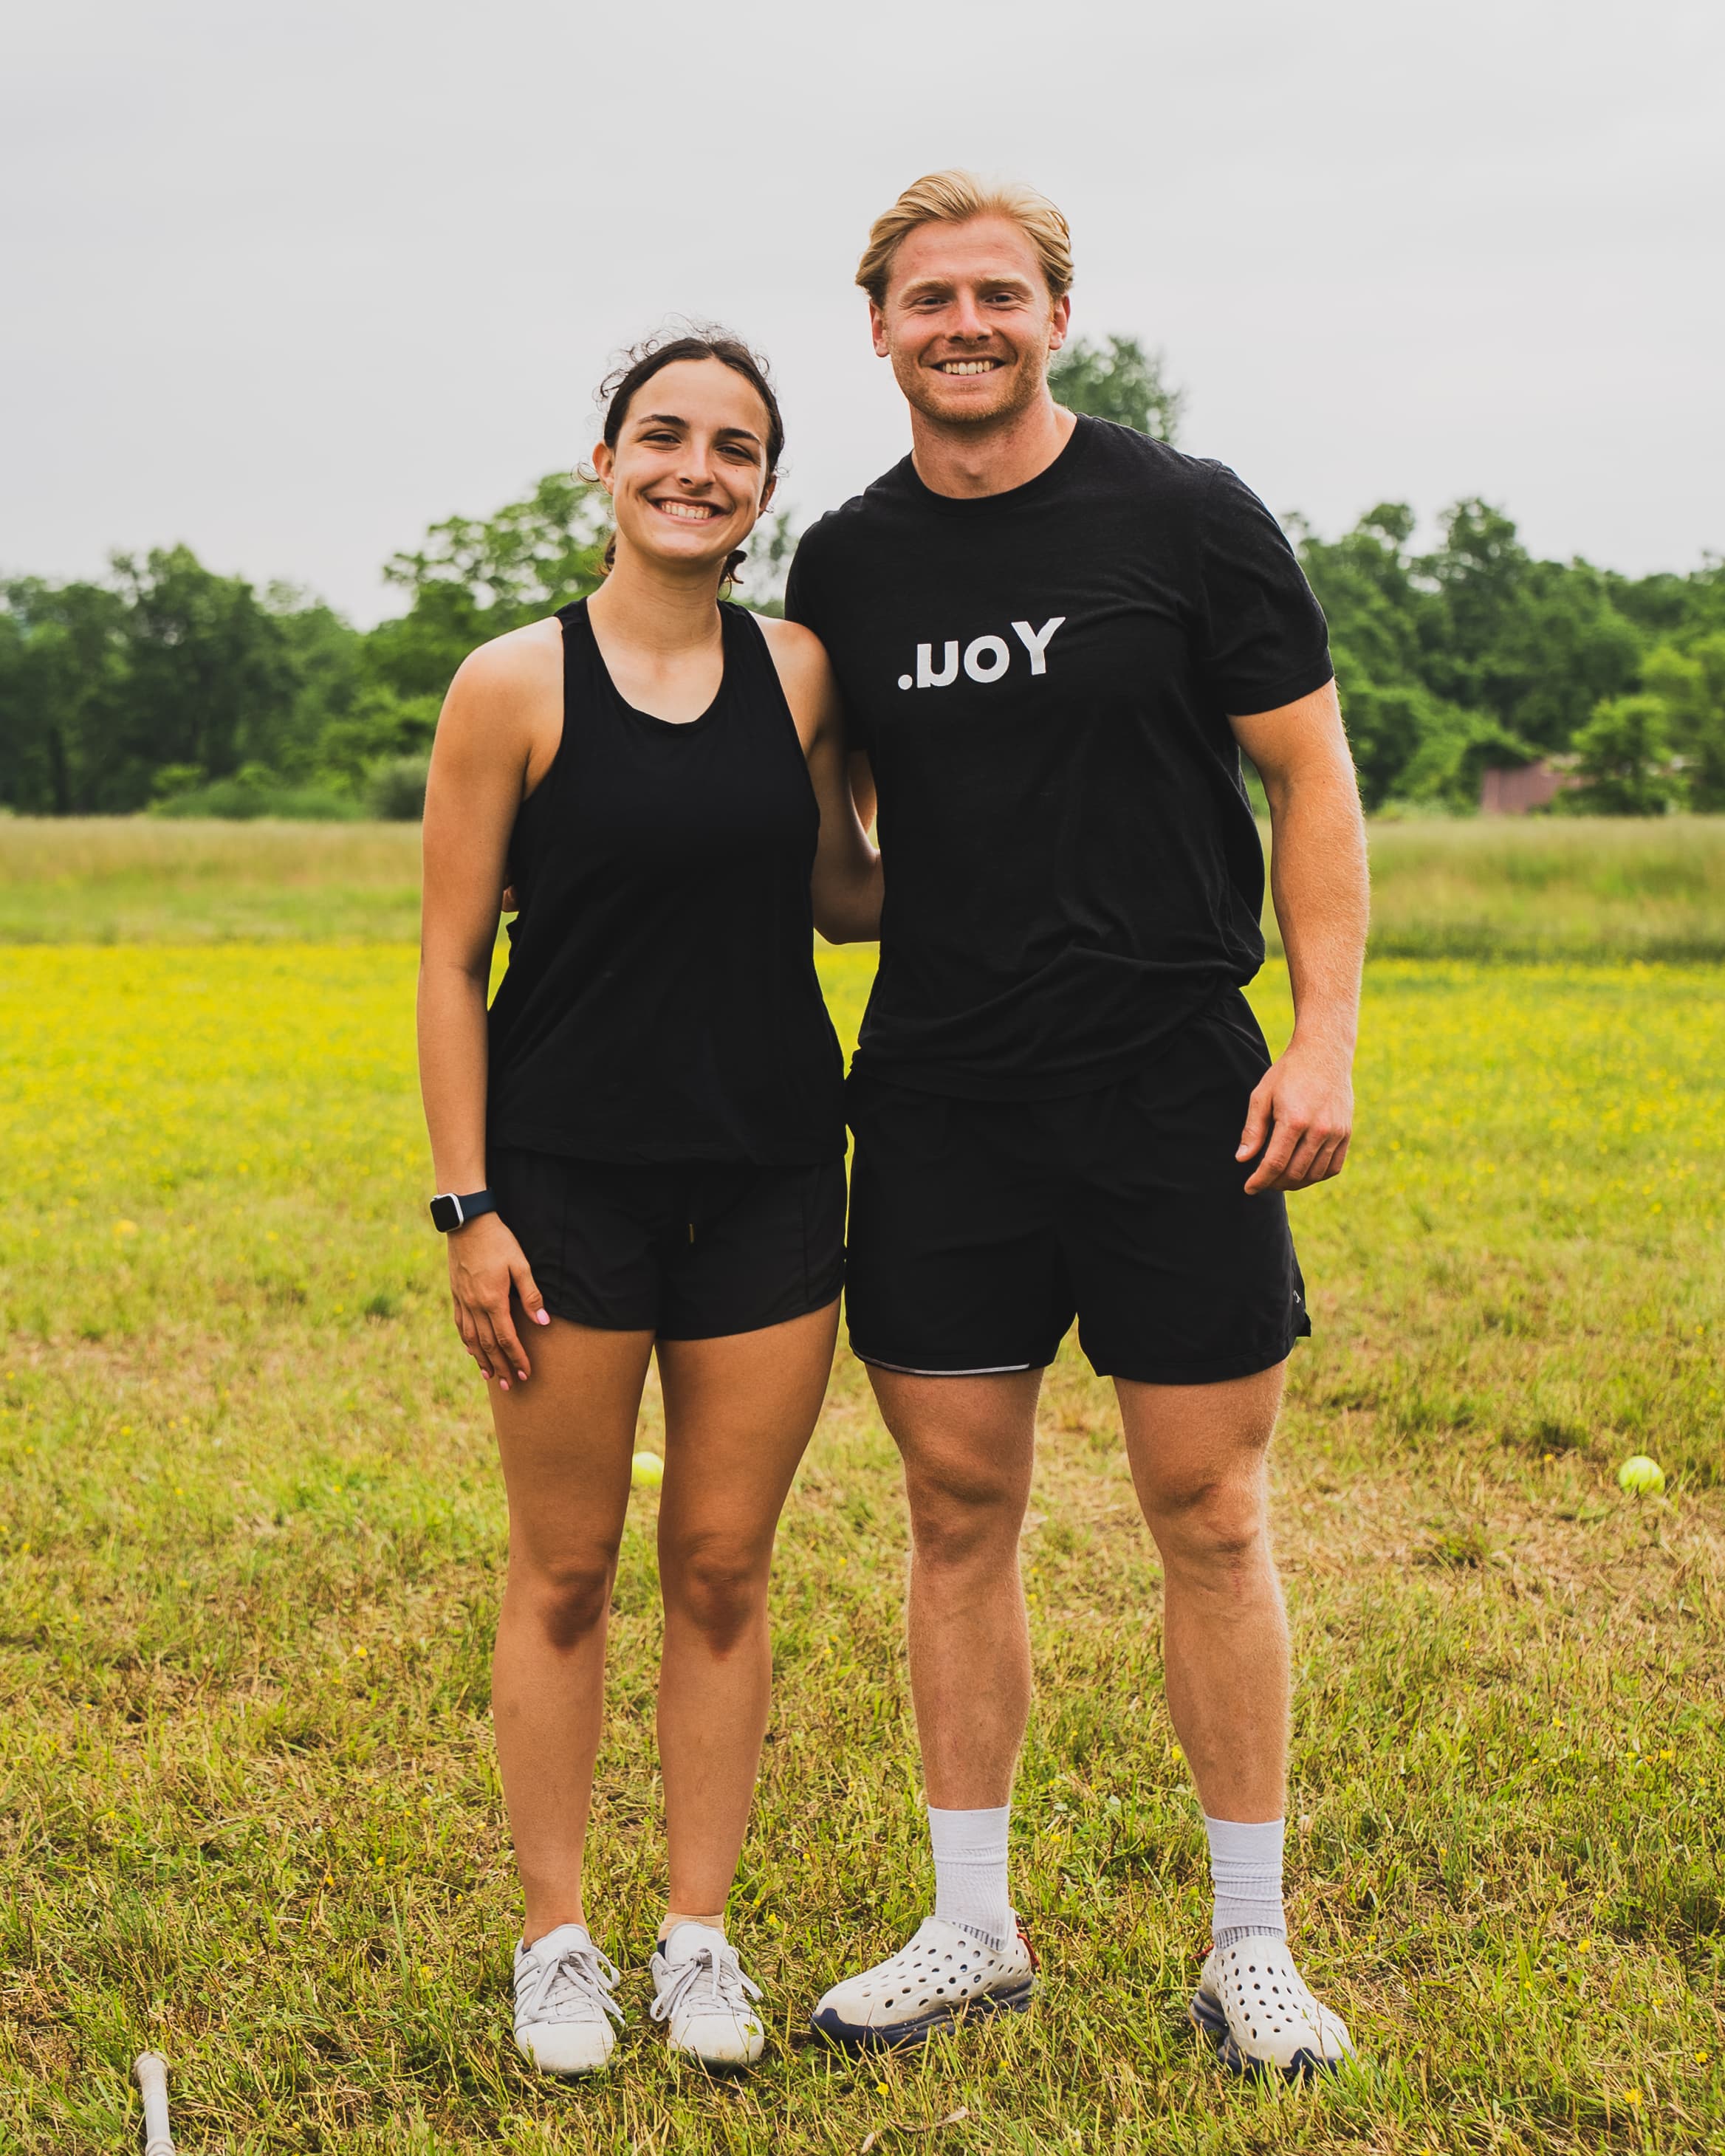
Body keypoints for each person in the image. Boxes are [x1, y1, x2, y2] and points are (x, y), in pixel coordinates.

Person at [784, 173, 1369, 2076]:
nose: (964, 322)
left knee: (1208, 1508)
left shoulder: (1184, 515)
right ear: (876, 327)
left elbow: (1309, 777)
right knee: (956, 1509)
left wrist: (1324, 1040)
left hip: (1176, 1089)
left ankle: (1250, 1946)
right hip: (945, 1095)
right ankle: (971, 1924)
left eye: (1000, 293)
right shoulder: (847, 568)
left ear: (1057, 317)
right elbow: (843, 874)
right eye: (927, 296)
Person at [416, 329, 879, 2076]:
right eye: (664, 434)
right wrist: (470, 1202)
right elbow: (452, 963)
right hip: (563, 1187)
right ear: (605, 460)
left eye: (736, 446)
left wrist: (1040, 848)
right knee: (562, 1566)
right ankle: (557, 1942)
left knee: (721, 1560)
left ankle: (698, 1937)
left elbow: (843, 895)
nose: (698, 466)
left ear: (766, 486)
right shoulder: (511, 684)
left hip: (769, 1173)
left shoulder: (808, 672)